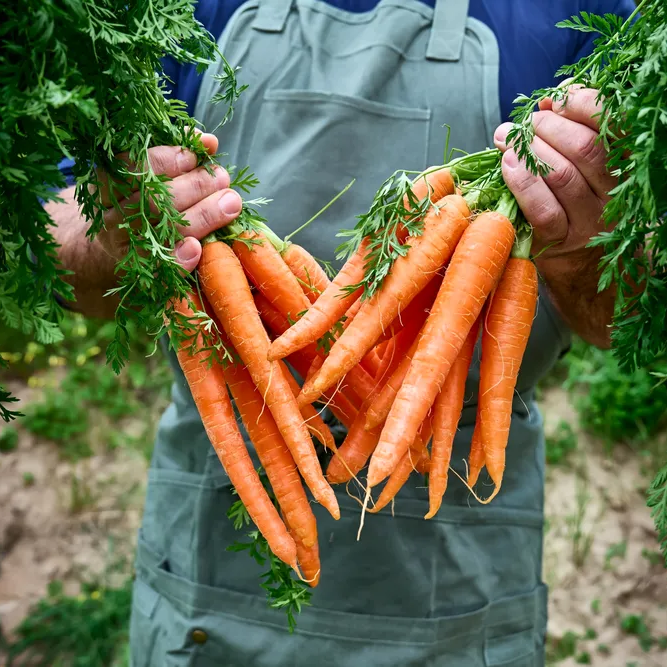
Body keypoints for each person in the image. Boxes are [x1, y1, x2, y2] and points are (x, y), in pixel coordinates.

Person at [46, 0, 635, 664]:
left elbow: (629, 318)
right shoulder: (152, 16)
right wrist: (114, 237)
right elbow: (51, 243)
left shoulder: (579, 16)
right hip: (210, 574)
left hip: (458, 587)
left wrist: (585, 249)